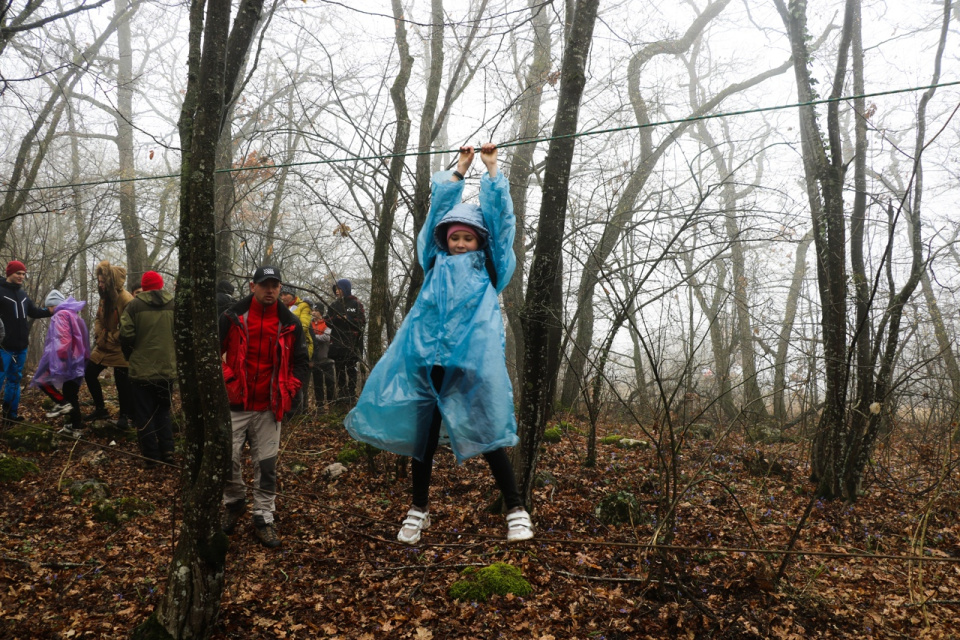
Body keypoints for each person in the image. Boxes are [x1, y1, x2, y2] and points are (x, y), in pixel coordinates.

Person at [345, 144, 533, 545]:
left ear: (478, 243)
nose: (460, 243)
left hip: (472, 365)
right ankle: (418, 509)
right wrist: (459, 170)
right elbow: (434, 217)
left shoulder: (490, 267)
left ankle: (515, 507)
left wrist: (492, 171)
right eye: (455, 238)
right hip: (429, 364)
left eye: (468, 238)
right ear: (444, 242)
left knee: (489, 434)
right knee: (423, 441)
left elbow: (502, 225)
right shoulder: (433, 263)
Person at [219, 265, 309, 549]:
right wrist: (228, 379)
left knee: (266, 466)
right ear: (252, 286)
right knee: (226, 458)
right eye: (264, 284)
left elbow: (301, 363)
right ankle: (234, 502)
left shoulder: (290, 323)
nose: (270, 290)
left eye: (275, 285)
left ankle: (263, 517)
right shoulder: (231, 317)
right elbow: (212, 353)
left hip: (270, 407)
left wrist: (291, 389)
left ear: (280, 288)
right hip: (235, 403)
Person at [119, 271, 176, 468]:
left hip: (141, 370)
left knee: (144, 414)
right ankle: (168, 450)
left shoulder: (133, 306)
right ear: (160, 285)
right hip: (167, 369)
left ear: (144, 286)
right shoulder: (173, 304)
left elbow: (125, 335)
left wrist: (130, 356)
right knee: (163, 411)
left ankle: (151, 457)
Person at [30, 290, 89, 437]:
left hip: (66, 360)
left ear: (53, 305)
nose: (49, 311)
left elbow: (63, 339)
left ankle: (62, 403)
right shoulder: (74, 315)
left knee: (42, 380)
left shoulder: (60, 315)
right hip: (79, 360)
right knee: (71, 393)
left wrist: (60, 360)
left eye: (49, 307)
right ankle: (75, 427)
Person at [0, 260, 53, 422]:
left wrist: (51, 311)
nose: (22, 276)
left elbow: (34, 312)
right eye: (18, 273)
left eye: (23, 274)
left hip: (21, 347)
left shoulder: (23, 295)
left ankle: (10, 416)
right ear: (10, 273)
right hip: (3, 348)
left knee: (14, 382)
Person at [84, 260, 134, 428]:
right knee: (89, 373)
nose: (100, 285)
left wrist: (111, 337)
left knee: (122, 383)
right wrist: (99, 334)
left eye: (102, 282)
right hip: (103, 345)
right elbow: (99, 318)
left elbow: (128, 327)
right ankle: (100, 408)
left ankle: (124, 416)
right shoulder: (104, 297)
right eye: (98, 282)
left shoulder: (126, 299)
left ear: (110, 282)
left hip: (120, 348)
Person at [326, 278, 365, 406]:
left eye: (339, 288)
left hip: (352, 344)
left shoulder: (356, 303)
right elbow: (327, 321)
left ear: (345, 289)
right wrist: (336, 319)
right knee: (339, 370)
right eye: (335, 289)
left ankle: (351, 395)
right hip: (336, 343)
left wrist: (347, 318)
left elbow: (361, 322)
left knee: (351, 369)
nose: (336, 291)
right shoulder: (333, 305)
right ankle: (342, 395)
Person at [280, 285, 313, 416]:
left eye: (286, 294)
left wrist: (284, 330)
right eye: (281, 295)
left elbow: (303, 326)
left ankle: (300, 412)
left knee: (299, 380)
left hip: (301, 346)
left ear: (293, 295)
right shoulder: (282, 307)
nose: (283, 297)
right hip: (286, 347)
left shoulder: (303, 306)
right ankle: (287, 410)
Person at [310, 303, 334, 410]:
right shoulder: (309, 324)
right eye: (312, 310)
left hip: (327, 358)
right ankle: (320, 406)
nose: (313, 312)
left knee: (330, 383)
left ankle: (332, 404)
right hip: (315, 359)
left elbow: (326, 337)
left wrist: (313, 337)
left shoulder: (327, 323)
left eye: (316, 310)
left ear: (321, 312)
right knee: (317, 384)